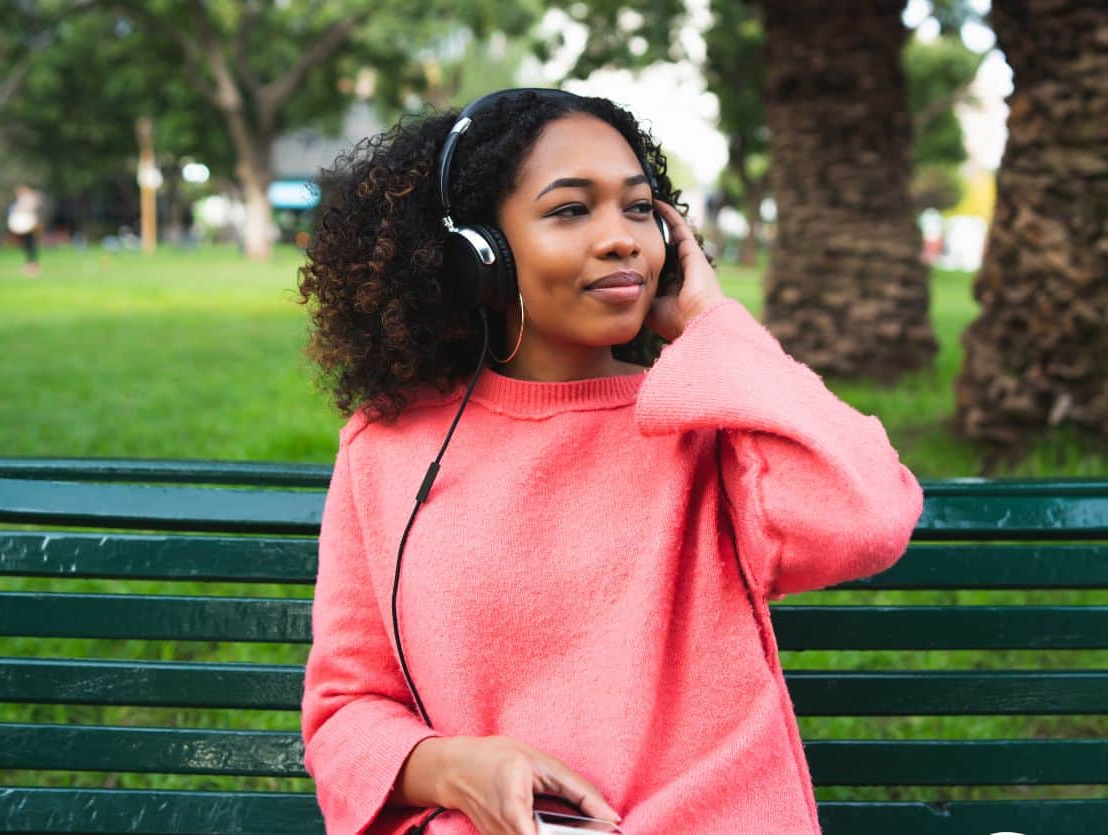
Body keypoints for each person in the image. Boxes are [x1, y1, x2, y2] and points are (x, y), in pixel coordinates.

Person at [297, 89, 924, 835]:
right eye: (570, 210)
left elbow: (868, 519)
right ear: (478, 255)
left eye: (638, 209)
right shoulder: (389, 445)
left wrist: (709, 326)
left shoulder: (709, 418)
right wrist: (457, 768)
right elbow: (346, 708)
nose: (622, 238)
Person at [7, 185, 44, 277]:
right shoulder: (20, 202)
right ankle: (30, 264)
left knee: (31, 244)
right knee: (27, 245)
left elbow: (37, 202)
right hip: (25, 226)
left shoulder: (30, 199)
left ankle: (33, 265)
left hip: (30, 226)